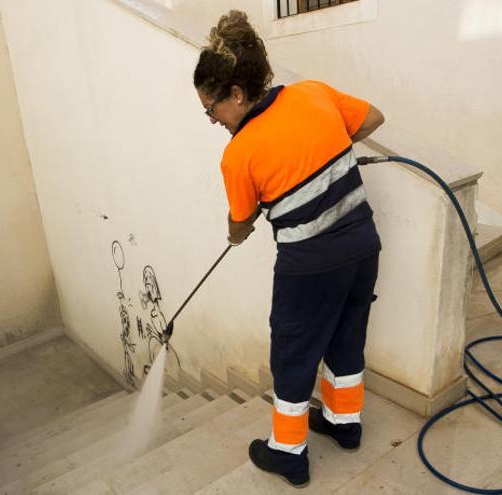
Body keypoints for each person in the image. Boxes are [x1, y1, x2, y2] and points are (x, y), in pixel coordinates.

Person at [192, 10, 384, 488]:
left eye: (211, 109)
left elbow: (241, 222)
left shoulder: (239, 152)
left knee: (294, 353)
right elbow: (373, 118)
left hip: (310, 266)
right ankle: (345, 425)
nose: (212, 119)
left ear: (236, 95)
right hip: (363, 245)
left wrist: (237, 232)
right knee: (346, 333)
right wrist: (327, 154)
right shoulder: (311, 92)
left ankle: (288, 453)